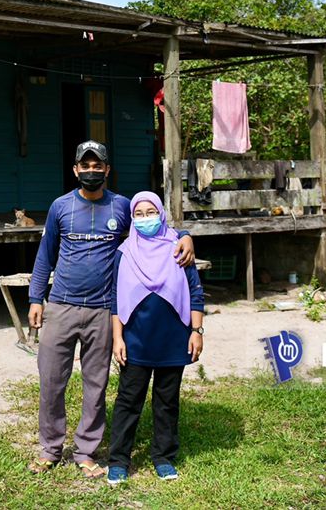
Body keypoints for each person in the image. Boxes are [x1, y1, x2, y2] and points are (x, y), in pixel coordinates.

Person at [27, 141, 195, 478]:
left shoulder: (121, 207)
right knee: (52, 380)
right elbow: (46, 254)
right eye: (84, 166)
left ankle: (86, 450)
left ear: (106, 169)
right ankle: (50, 448)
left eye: (97, 166)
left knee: (96, 384)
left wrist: (188, 235)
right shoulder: (60, 207)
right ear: (75, 170)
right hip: (61, 305)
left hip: (104, 309)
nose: (91, 171)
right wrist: (35, 297)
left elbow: (155, 228)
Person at [106, 191, 205, 486]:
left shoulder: (178, 248)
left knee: (167, 400)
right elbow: (115, 298)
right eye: (139, 213)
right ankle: (119, 460)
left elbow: (195, 292)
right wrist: (118, 338)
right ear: (132, 218)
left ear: (161, 214)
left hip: (174, 336)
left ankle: (163, 457)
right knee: (128, 399)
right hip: (135, 338)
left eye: (151, 212)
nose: (145, 218)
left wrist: (197, 331)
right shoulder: (124, 253)